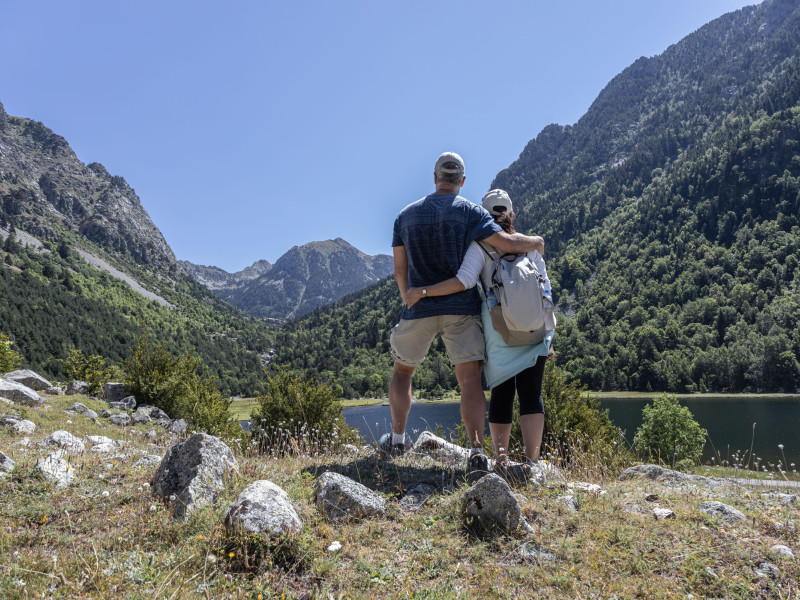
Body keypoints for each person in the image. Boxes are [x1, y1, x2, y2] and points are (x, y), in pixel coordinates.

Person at [387, 153, 545, 473]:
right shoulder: (470, 212)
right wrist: (536, 241)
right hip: (461, 309)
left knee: (403, 372)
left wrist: (409, 295)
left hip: (418, 309)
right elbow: (505, 242)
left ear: (434, 178)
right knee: (469, 379)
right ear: (461, 181)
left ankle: (398, 439)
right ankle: (476, 451)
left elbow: (399, 270)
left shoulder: (404, 217)